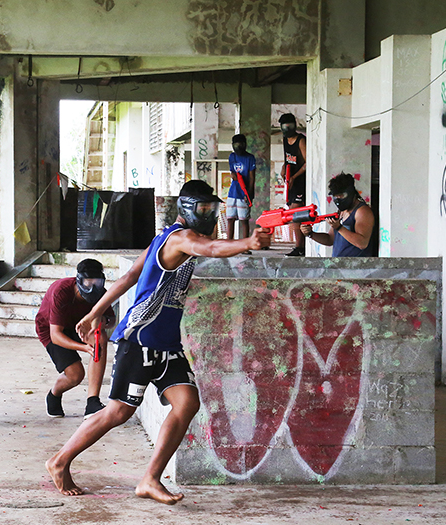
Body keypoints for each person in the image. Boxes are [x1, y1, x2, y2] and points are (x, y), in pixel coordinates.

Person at [46, 180, 271, 504]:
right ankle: (60, 460)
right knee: (118, 412)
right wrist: (248, 240)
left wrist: (95, 312)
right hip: (140, 340)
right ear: (187, 210)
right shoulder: (181, 238)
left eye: (213, 210)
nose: (209, 216)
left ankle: (150, 479)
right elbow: (209, 249)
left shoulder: (163, 237)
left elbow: (128, 277)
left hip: (167, 344)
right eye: (204, 210)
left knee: (187, 403)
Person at [36, 259, 115, 419]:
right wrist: (84, 348)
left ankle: (92, 402)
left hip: (81, 326)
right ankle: (54, 394)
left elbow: (112, 320)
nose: (93, 287)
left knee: (100, 338)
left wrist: (103, 321)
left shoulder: (102, 294)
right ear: (79, 280)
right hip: (52, 329)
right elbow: (56, 335)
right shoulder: (61, 291)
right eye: (88, 282)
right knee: (75, 375)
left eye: (97, 283)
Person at [300, 172, 374, 257]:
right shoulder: (341, 211)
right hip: (340, 265)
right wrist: (310, 234)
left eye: (341, 196)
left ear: (350, 193)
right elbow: (330, 239)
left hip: (356, 267)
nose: (338, 199)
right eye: (335, 196)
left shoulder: (362, 211)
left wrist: (339, 228)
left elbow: (362, 243)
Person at [279, 113, 307, 256]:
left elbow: (307, 163)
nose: (287, 128)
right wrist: (284, 168)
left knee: (296, 214)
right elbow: (287, 159)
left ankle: (300, 247)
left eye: (289, 125)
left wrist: (295, 177)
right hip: (290, 181)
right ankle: (299, 246)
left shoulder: (301, 140)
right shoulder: (285, 140)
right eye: (284, 126)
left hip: (300, 181)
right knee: (292, 212)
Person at [226, 134, 256, 242]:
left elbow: (252, 178)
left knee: (244, 220)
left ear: (245, 145)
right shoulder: (232, 157)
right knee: (230, 219)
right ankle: (229, 244)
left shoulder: (250, 158)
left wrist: (250, 194)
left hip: (244, 193)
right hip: (233, 192)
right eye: (236, 145)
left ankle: (245, 245)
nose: (238, 147)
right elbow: (233, 173)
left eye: (241, 144)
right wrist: (235, 176)